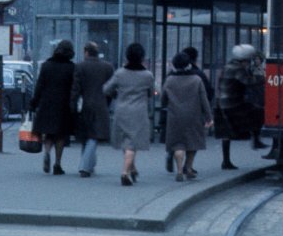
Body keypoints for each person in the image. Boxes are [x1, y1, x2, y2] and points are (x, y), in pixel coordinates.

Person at [103, 43, 155, 186]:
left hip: (121, 109)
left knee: (126, 141)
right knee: (133, 143)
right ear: (142, 57)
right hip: (138, 111)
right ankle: (125, 173)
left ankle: (133, 168)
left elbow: (107, 89)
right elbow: (152, 92)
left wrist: (117, 95)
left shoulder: (120, 73)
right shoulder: (147, 75)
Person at [162, 52, 213, 182]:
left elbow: (163, 98)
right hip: (193, 115)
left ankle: (179, 170)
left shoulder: (169, 80)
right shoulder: (196, 80)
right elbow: (204, 99)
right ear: (188, 65)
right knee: (192, 143)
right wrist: (209, 117)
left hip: (174, 116)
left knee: (178, 144)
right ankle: (189, 168)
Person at [215, 44, 267, 170]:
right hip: (233, 103)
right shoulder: (238, 68)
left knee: (226, 134)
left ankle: (226, 161)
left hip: (221, 103)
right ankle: (255, 139)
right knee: (259, 112)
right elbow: (248, 81)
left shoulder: (228, 66)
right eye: (249, 60)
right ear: (245, 59)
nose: (250, 63)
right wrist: (264, 78)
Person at [30, 40, 76, 176]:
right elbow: (74, 88)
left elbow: (39, 87)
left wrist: (34, 103)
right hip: (63, 105)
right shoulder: (71, 68)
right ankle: (57, 164)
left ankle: (47, 152)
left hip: (46, 103)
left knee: (49, 133)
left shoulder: (46, 66)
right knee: (61, 135)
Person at [70, 42, 114, 177]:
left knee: (88, 135)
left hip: (86, 104)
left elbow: (76, 88)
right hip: (101, 105)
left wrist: (72, 104)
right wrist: (107, 102)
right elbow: (111, 89)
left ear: (86, 52)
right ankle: (88, 165)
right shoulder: (107, 67)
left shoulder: (80, 66)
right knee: (94, 136)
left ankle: (86, 165)